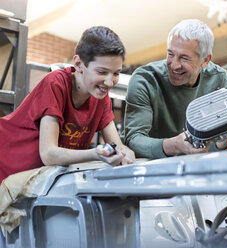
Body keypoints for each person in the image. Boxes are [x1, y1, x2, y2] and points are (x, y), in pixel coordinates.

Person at [0, 26, 135, 184]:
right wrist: (96, 154)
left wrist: (126, 153)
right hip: (6, 165)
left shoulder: (100, 96)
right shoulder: (55, 84)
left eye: (116, 73)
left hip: (36, 179)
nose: (109, 82)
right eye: (101, 72)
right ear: (78, 64)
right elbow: (49, 154)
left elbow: (118, 146)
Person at [123, 19, 227, 159]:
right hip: (146, 165)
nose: (174, 65)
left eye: (184, 58)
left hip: (191, 165)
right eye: (170, 54)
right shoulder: (145, 79)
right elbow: (133, 140)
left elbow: (214, 148)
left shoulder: (218, 79)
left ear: (205, 60)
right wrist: (175, 145)